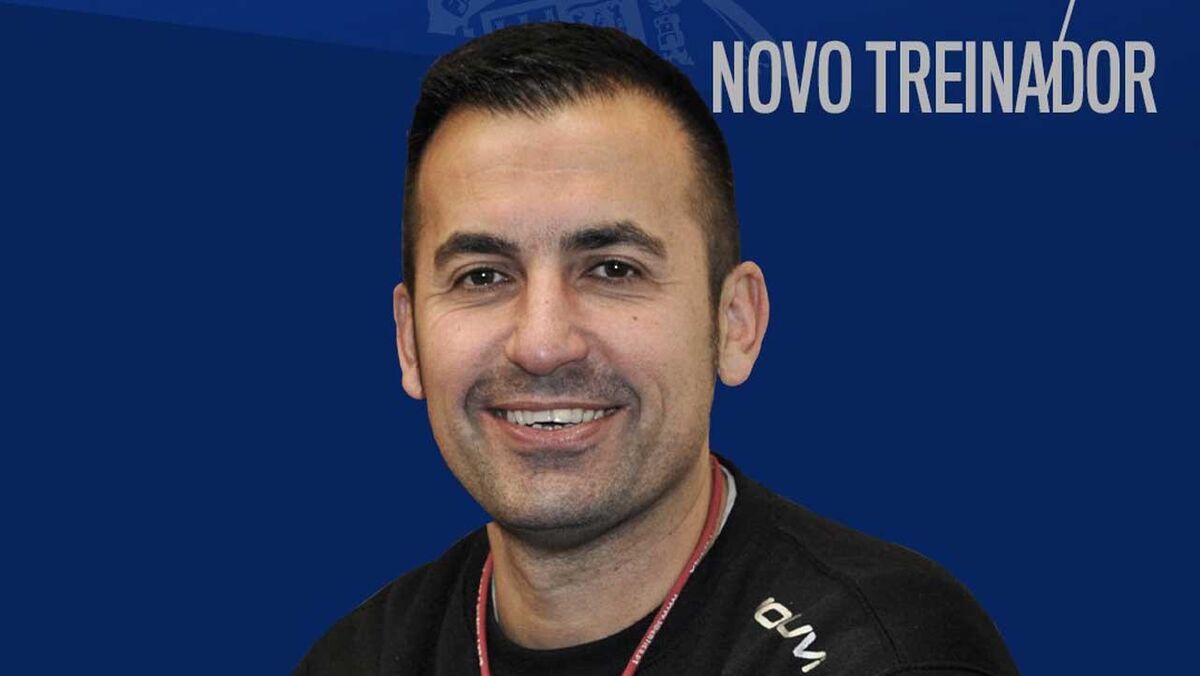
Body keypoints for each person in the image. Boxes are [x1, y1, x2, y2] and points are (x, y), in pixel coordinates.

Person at [295, 22, 1019, 676]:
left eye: (613, 269)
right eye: (482, 276)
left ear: (734, 324)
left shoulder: (887, 656)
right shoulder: (354, 660)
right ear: (409, 340)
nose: (542, 344)